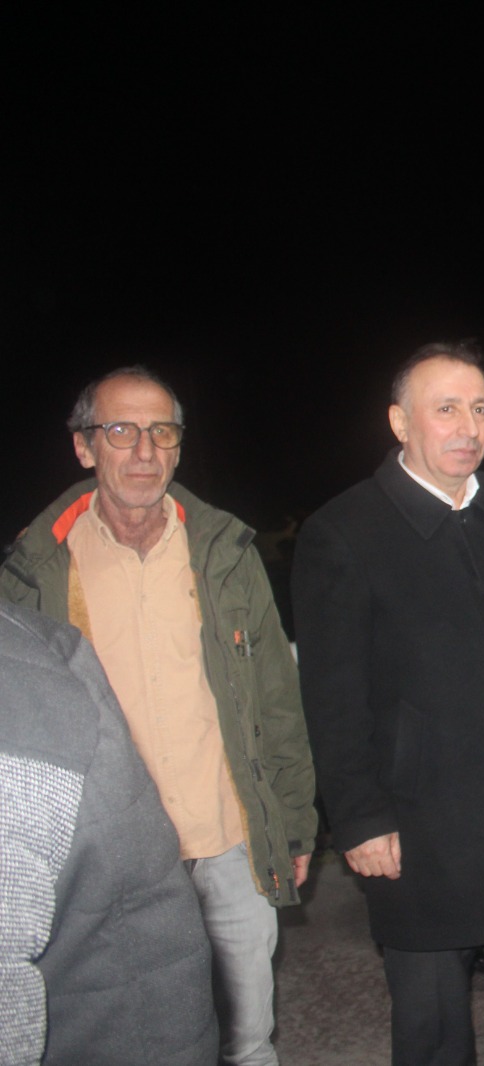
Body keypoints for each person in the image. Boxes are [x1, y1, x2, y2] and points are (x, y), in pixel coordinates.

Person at [292, 340, 484, 1066]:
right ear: (400, 422)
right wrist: (360, 817)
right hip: (420, 826)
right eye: (447, 410)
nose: (469, 428)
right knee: (433, 1031)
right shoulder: (344, 532)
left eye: (481, 409)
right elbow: (332, 698)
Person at [1, 366, 316, 1066]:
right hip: (112, 866)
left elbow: (275, 698)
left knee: (247, 1042)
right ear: (84, 447)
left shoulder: (225, 553)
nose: (144, 450)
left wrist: (293, 821)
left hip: (226, 842)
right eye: (121, 431)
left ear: (178, 446)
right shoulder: (35, 569)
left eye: (162, 432)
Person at [0, 601, 217, 1066]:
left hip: (217, 827)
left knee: (248, 1011)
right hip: (110, 840)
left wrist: (290, 825)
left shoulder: (39, 647)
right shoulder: (42, 579)